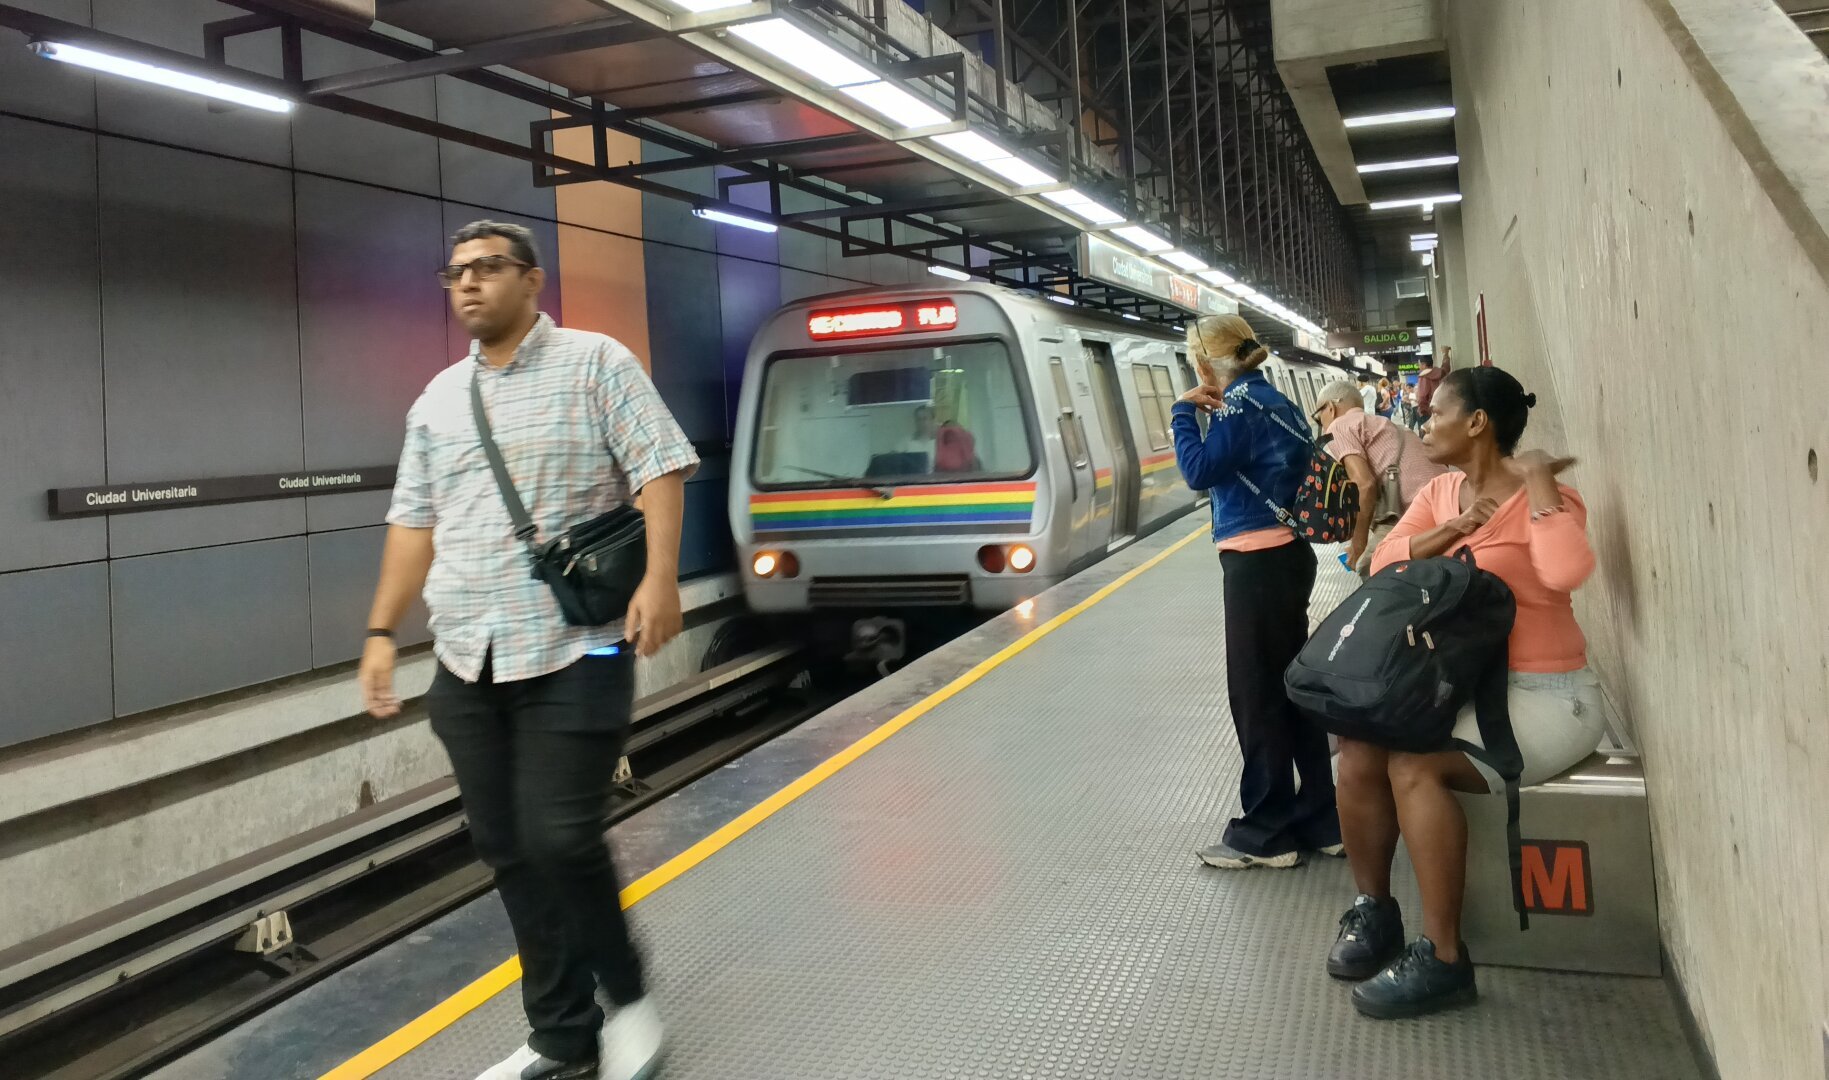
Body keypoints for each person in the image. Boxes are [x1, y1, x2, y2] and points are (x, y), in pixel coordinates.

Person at [360, 221, 699, 1080]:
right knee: (506, 846)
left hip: (573, 646)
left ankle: (627, 1000)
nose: (468, 283)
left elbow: (660, 467)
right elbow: (412, 522)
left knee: (558, 837)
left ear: (531, 279)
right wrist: (378, 633)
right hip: (466, 658)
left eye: (487, 268)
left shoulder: (598, 362)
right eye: (456, 272)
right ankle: (558, 1032)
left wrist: (660, 579)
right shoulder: (437, 400)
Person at [1327, 366, 1602, 1020]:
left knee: (1413, 766)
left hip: (1545, 696)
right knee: (1358, 745)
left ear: (1476, 422)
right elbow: (1383, 566)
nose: (1423, 424)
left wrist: (1536, 482)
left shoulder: (1550, 498)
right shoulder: (1442, 492)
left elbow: (1567, 570)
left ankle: (1445, 959)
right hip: (1456, 688)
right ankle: (1375, 912)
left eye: (1436, 413)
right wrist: (1450, 532)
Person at [1170, 314, 1341, 869]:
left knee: (1256, 694)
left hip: (1256, 563)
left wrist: (1183, 412)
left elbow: (1198, 471)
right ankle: (1321, 820)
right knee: (1291, 687)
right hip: (1289, 555)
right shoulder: (1276, 400)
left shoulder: (1239, 406)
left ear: (1204, 364)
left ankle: (1267, 833)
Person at [1311, 380, 1446, 577]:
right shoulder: (1383, 424)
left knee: (1368, 566)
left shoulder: (1338, 427)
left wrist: (1358, 545)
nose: (1321, 426)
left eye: (1318, 418)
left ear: (1330, 408)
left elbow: (1364, 485)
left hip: (1419, 513)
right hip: (1446, 503)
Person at [1414, 346, 1450, 426]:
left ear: (1424, 365)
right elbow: (1446, 366)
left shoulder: (1423, 376)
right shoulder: (1440, 372)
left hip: (1429, 410)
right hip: (1443, 407)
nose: (1419, 367)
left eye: (1419, 364)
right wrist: (1446, 354)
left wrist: (1422, 410)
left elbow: (1422, 396)